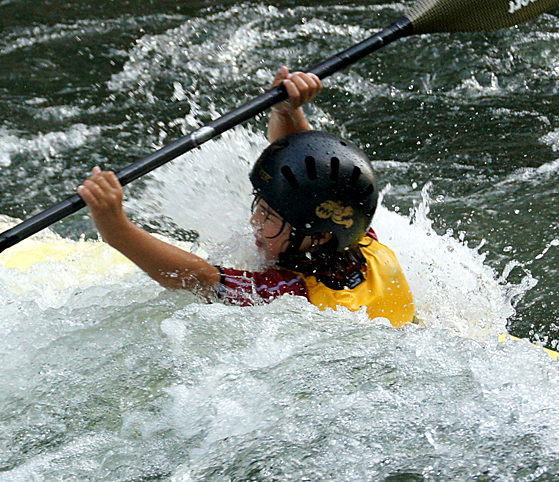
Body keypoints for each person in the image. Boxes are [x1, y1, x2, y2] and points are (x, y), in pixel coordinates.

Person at [77, 67, 416, 327]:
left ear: (318, 236)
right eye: (262, 209)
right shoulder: (363, 241)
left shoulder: (292, 294)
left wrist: (117, 229)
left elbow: (203, 280)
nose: (255, 221)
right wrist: (287, 112)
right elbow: (314, 169)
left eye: (270, 217)